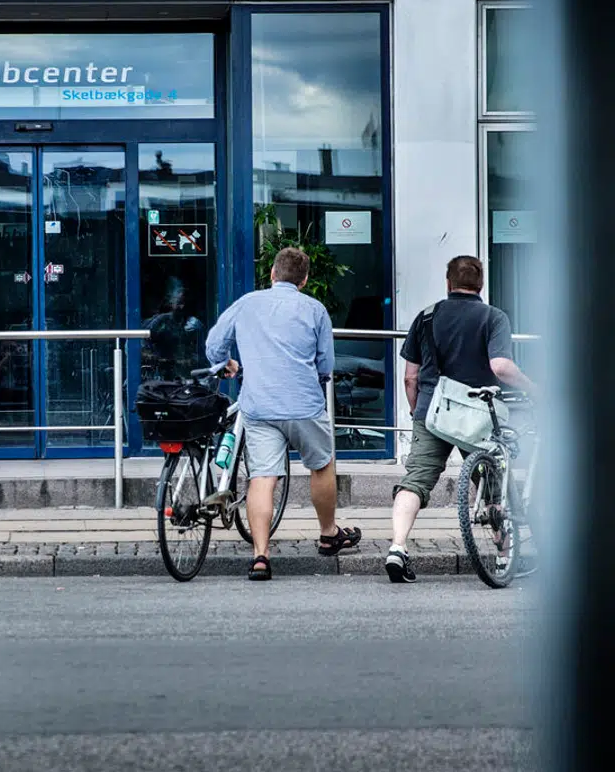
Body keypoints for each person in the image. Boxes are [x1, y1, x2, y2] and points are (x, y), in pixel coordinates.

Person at [205, 247, 361, 581]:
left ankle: (260, 556)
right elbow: (326, 363)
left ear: (273, 274)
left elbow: (214, 343)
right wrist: (316, 378)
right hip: (304, 404)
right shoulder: (315, 309)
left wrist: (225, 363)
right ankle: (328, 534)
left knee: (262, 477)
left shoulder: (247, 303)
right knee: (322, 465)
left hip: (259, 405)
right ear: (304, 280)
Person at [388, 255, 536, 583]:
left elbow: (410, 377)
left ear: (448, 282)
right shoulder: (493, 317)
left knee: (415, 481)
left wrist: (416, 411)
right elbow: (501, 367)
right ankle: (504, 557)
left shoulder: (426, 317)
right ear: (481, 284)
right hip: (479, 417)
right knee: (493, 485)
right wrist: (534, 389)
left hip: (433, 412)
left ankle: (397, 548)